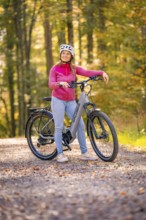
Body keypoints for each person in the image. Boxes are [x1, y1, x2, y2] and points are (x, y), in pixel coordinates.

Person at [49, 44, 109, 162]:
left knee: (80, 125)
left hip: (71, 101)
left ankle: (84, 153)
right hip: (58, 100)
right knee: (59, 126)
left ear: (71, 56)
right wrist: (60, 83)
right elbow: (51, 84)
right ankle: (60, 154)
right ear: (60, 55)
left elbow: (87, 72)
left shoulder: (73, 68)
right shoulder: (55, 68)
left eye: (68, 53)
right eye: (63, 53)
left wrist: (101, 73)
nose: (65, 55)